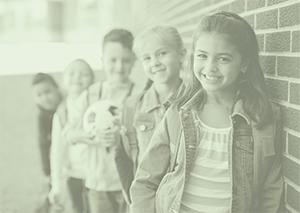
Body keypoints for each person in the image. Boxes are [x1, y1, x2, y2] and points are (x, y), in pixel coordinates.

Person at [130, 11, 283, 213]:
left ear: (244, 63)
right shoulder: (177, 113)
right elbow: (145, 181)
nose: (210, 67)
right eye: (202, 56)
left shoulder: (262, 118)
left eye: (223, 59)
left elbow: (270, 191)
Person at [63, 29, 142, 213]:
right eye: (112, 60)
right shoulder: (90, 95)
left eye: (125, 60)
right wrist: (86, 136)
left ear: (134, 61)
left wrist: (122, 137)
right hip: (98, 183)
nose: (119, 66)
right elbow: (67, 135)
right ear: (102, 61)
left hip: (130, 183)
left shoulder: (140, 96)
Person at [114, 25, 186, 205]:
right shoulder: (133, 106)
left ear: (182, 55)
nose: (154, 62)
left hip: (183, 200)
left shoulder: (195, 102)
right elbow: (122, 155)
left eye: (162, 53)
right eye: (147, 58)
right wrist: (133, 201)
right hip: (147, 203)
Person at [48, 59, 94, 213]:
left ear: (93, 81)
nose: (77, 77)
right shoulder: (61, 114)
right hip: (75, 175)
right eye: (71, 73)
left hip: (98, 173)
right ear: (63, 81)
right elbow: (57, 152)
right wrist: (57, 187)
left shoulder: (97, 107)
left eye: (84, 74)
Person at [32, 73, 62, 213]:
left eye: (47, 92)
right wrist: (47, 172)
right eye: (39, 95)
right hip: (54, 163)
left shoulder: (67, 108)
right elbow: (43, 145)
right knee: (52, 195)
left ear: (57, 89)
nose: (44, 98)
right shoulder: (42, 117)